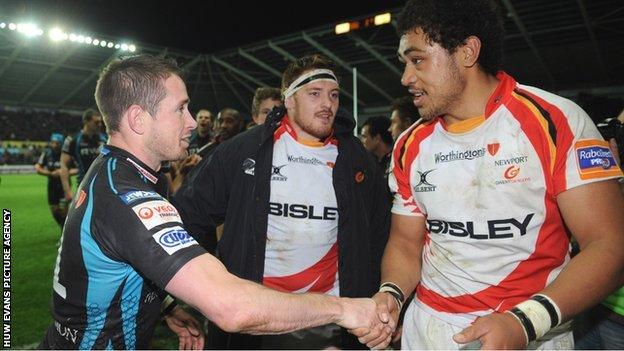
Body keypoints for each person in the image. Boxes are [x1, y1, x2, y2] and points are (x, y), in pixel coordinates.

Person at [39, 54, 390, 350]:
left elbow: (124, 261)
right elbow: (232, 309)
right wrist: (343, 309)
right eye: (180, 109)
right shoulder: (131, 198)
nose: (192, 122)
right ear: (137, 119)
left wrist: (162, 304)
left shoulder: (116, 173)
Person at [365, 0, 624, 349]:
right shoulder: (410, 144)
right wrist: (392, 294)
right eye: (405, 63)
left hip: (529, 330)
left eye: (417, 60)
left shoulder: (556, 122)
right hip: (428, 331)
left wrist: (525, 322)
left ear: (468, 52)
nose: (405, 77)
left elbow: (609, 245)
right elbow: (406, 242)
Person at [173, 54, 391, 349]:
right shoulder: (245, 151)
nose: (327, 104)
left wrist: (379, 297)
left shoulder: (356, 159)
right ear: (289, 100)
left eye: (334, 95)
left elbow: (380, 234)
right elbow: (187, 217)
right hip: (258, 321)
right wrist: (197, 291)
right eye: (315, 94)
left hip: (331, 324)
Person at [59, 108, 107, 201]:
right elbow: (63, 165)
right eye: (96, 122)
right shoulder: (73, 140)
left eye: (100, 122)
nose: (100, 125)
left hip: (105, 187)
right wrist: (67, 190)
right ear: (86, 121)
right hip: (84, 188)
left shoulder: (105, 139)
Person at [34, 133, 77, 228]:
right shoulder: (47, 153)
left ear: (61, 143)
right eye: (53, 142)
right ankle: (64, 228)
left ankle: (64, 234)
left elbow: (77, 168)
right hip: (52, 185)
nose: (54, 145)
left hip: (64, 185)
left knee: (63, 210)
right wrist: (50, 173)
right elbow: (38, 167)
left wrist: (65, 172)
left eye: (57, 143)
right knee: (54, 210)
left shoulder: (67, 155)